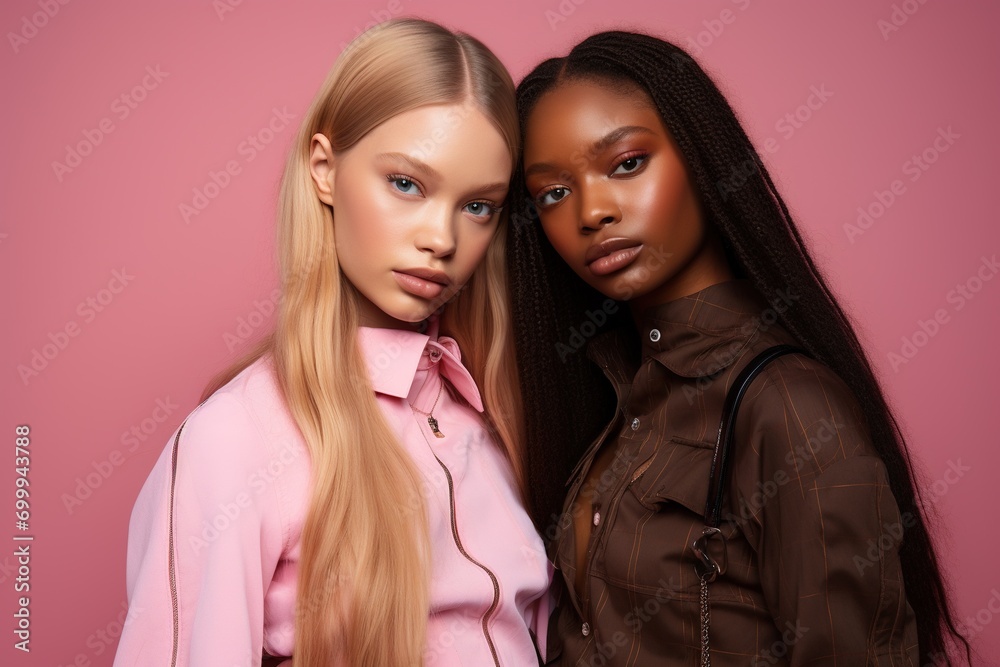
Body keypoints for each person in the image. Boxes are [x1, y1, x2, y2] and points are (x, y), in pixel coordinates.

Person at [507, 30, 971, 666]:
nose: (592, 212)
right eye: (554, 193)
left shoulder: (786, 403)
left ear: (699, 157)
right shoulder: (616, 399)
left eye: (627, 164)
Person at [114, 18, 551, 667]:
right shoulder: (234, 438)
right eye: (407, 183)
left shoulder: (496, 419)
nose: (442, 237)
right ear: (324, 168)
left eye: (478, 205)